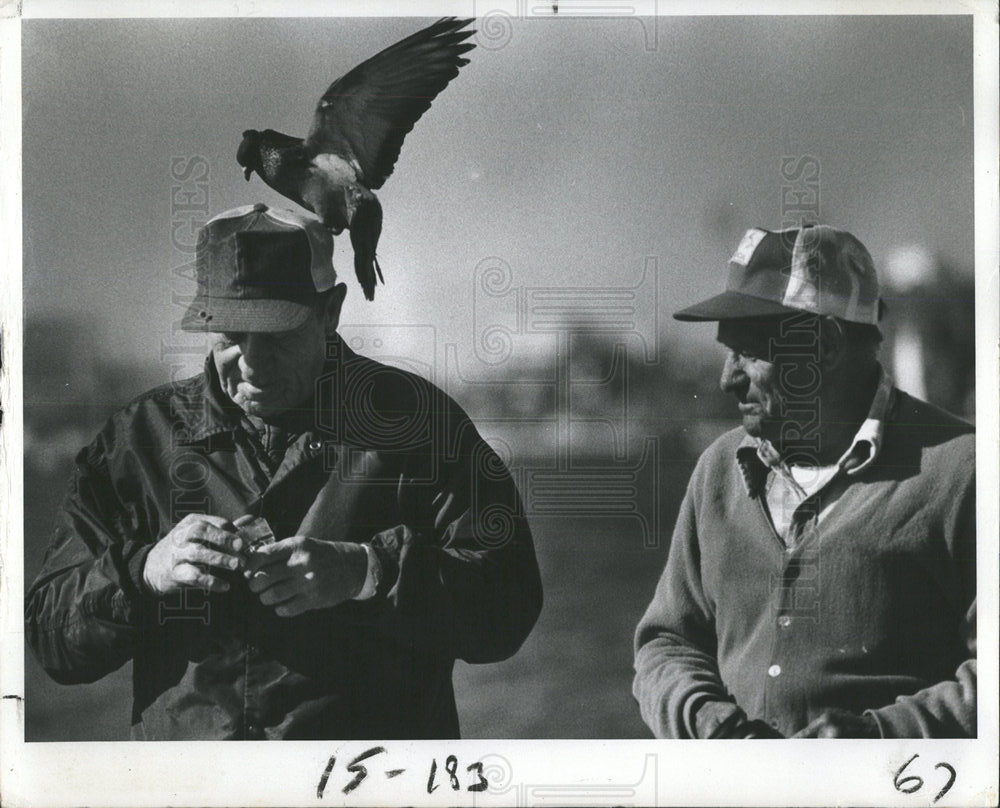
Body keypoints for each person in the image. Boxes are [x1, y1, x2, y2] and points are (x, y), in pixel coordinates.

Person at [25, 203, 543, 740]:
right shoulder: (136, 440)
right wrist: (145, 572)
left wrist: (370, 572)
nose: (251, 363)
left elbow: (508, 611)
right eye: (229, 335)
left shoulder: (421, 426)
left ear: (332, 311)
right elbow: (48, 639)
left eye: (277, 334)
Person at [633, 225, 976, 739]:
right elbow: (667, 644)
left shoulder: (964, 472)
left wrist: (877, 738)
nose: (728, 378)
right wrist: (714, 727)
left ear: (828, 345)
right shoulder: (718, 470)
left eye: (749, 352)